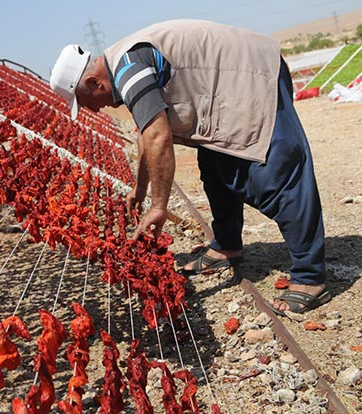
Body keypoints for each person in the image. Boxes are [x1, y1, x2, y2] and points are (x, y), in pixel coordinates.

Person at [49, 19, 330, 315]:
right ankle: (227, 244)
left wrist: (159, 206)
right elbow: (148, 133)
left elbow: (159, 136)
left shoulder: (129, 70)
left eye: (86, 102)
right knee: (214, 169)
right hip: (223, 88)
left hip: (254, 74)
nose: (93, 109)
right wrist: (141, 189)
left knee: (276, 174)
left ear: (95, 83)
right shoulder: (124, 68)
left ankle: (310, 277)